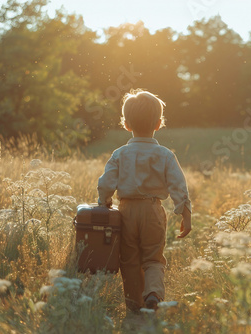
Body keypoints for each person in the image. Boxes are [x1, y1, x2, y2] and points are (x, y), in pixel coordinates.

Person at [97, 89, 192, 313]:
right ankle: (153, 293)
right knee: (153, 258)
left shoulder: (119, 154)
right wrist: (185, 215)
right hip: (152, 210)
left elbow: (105, 183)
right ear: (159, 124)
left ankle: (134, 305)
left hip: (126, 212)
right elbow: (179, 186)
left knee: (129, 260)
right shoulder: (166, 155)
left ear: (126, 124)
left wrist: (104, 203)